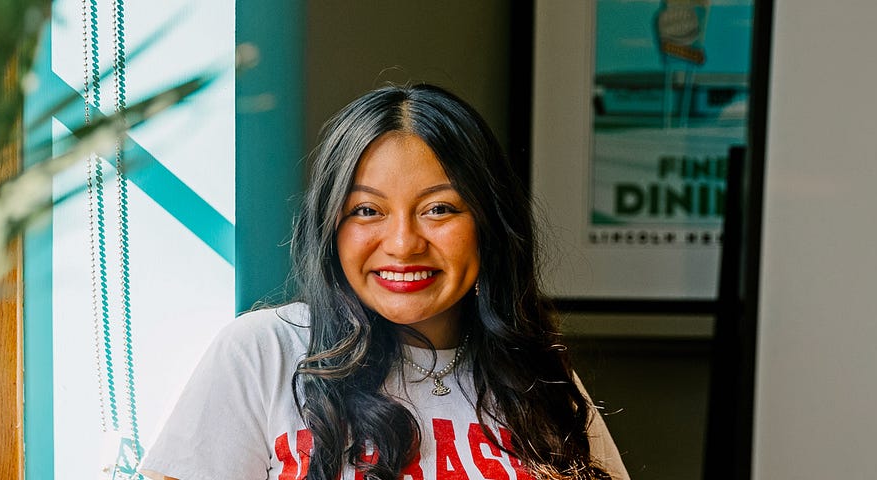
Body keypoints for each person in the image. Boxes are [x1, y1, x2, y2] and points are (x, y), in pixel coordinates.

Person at [139, 84, 627, 480]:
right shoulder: (266, 351)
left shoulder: (534, 377)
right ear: (332, 225)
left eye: (439, 209)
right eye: (367, 210)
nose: (402, 243)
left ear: (488, 223)